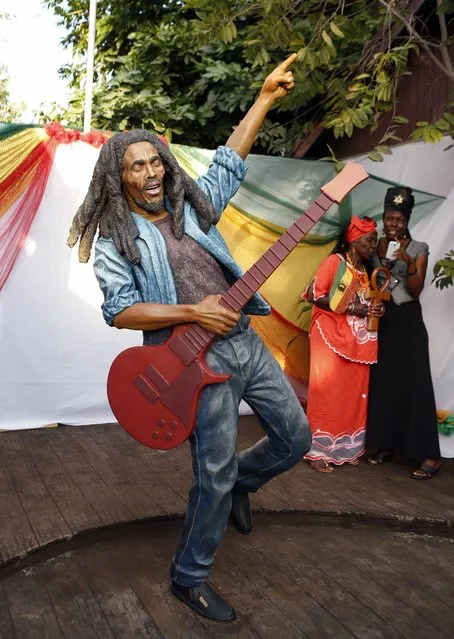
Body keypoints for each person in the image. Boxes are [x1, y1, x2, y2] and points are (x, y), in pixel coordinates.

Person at [67, 55, 311, 622]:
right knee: (213, 470)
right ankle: (189, 576)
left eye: (157, 162)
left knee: (295, 438)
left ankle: (238, 489)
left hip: (246, 344)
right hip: (192, 366)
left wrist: (266, 98)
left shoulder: (190, 207)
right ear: (117, 177)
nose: (152, 173)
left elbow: (229, 164)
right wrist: (192, 313)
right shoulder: (115, 241)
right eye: (137, 167)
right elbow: (121, 313)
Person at [366, 186, 442, 479]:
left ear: (407, 219)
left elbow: (416, 290)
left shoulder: (419, 248)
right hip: (383, 322)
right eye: (389, 218)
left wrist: (409, 264)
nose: (393, 223)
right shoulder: (375, 246)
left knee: (415, 384)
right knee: (385, 383)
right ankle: (386, 444)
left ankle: (431, 456)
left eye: (398, 218)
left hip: (409, 321)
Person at [302, 216, 384, 473]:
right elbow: (315, 295)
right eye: (370, 240)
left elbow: (366, 302)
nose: (373, 245)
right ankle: (317, 452)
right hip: (329, 335)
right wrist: (354, 308)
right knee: (327, 393)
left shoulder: (364, 273)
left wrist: (374, 309)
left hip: (356, 341)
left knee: (352, 395)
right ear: (354, 239)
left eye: (375, 241)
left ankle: (344, 448)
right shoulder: (335, 263)